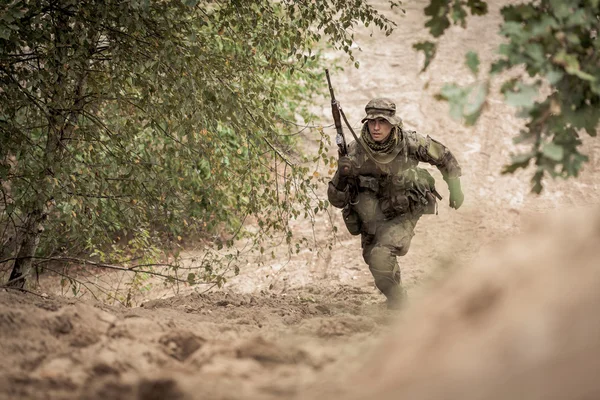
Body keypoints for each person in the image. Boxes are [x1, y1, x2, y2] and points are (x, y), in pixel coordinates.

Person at [327, 97, 464, 309]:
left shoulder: (409, 142)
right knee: (376, 265)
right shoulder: (355, 151)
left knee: (381, 256)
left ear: (393, 123)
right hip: (371, 218)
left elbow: (443, 156)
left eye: (382, 122)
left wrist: (455, 187)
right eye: (371, 122)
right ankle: (398, 301)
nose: (376, 127)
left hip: (404, 212)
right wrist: (343, 177)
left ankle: (401, 307)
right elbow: (336, 200)